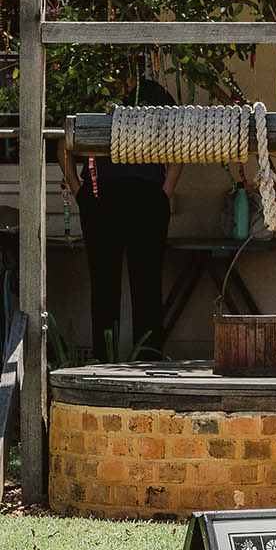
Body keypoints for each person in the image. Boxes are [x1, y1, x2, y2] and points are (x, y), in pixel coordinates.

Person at [58, 70, 182, 362]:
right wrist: (79, 191)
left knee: (148, 283)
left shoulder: (155, 94)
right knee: (103, 283)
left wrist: (166, 191)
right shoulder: (90, 90)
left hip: (148, 195)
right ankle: (105, 361)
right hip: (101, 196)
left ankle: (149, 360)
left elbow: (180, 139)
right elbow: (64, 140)